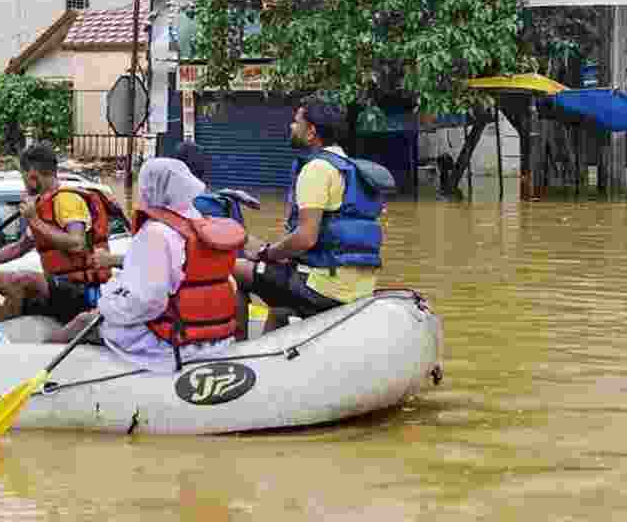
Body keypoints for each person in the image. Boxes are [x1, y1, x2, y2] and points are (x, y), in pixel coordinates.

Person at [52, 158, 242, 370]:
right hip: (215, 339)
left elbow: (149, 302)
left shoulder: (156, 233)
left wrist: (106, 308)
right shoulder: (201, 226)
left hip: (170, 344)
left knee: (83, 321)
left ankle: (35, 360)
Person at [232, 102, 386, 340]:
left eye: (296, 122)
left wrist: (267, 253)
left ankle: (238, 351)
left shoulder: (316, 169)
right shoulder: (350, 169)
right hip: (358, 288)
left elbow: (305, 237)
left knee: (233, 269)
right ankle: (271, 350)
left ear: (311, 132)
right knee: (280, 300)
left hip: (323, 288)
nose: (291, 127)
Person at [0, 143, 124, 337]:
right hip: (57, 289)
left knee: (24, 280)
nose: (24, 184)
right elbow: (18, 248)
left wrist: (33, 219)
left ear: (32, 176)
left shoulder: (67, 200)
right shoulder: (42, 203)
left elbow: (77, 242)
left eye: (24, 177)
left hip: (83, 291)